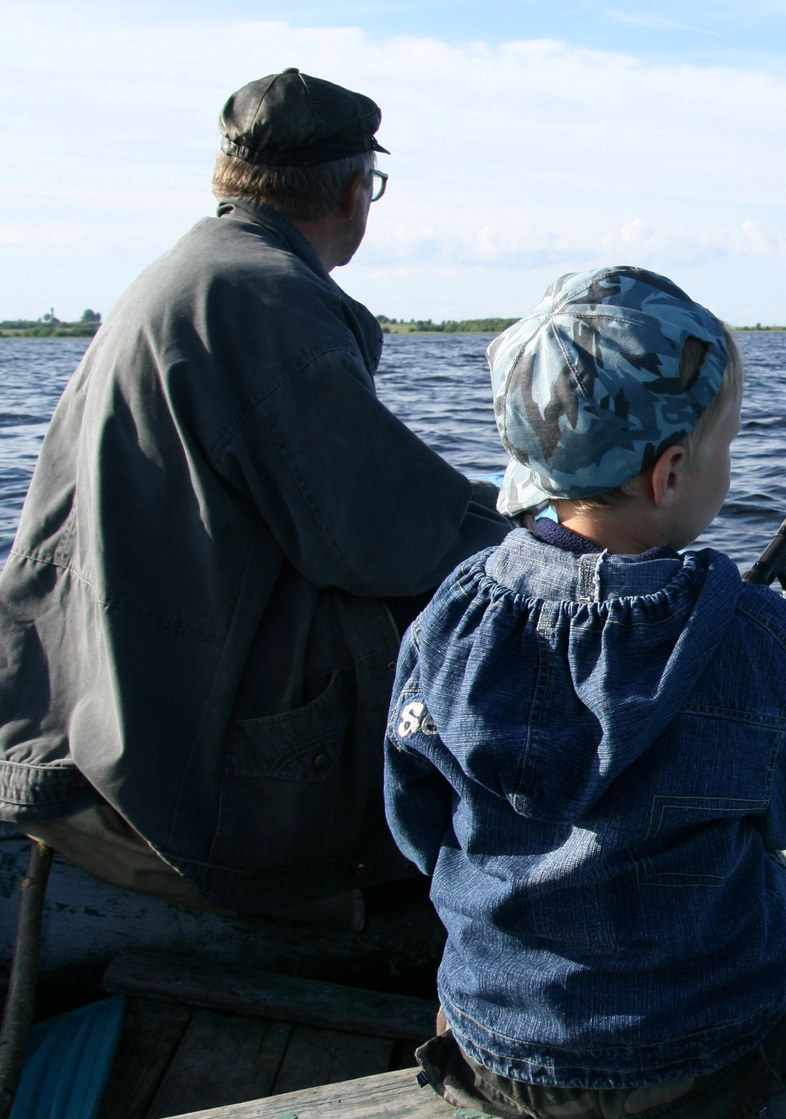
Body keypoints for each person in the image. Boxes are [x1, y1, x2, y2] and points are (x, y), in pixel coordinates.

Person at [0, 69, 511, 926]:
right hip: (162, 761)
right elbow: (382, 537)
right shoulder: (264, 297)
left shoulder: (198, 271)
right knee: (488, 616)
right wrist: (566, 551)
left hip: (80, 697)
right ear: (357, 189)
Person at [386, 267, 786, 1119]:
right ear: (671, 473)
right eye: (724, 448)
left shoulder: (452, 614)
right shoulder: (752, 638)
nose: (728, 469)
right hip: (704, 1058)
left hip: (496, 1048)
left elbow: (412, 818)